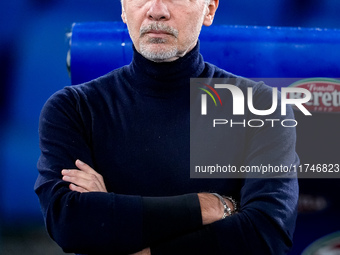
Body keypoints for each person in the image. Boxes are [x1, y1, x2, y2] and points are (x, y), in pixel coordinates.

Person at [35, 0, 299, 254]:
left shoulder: (262, 106)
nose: (156, 11)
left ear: (209, 9)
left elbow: (265, 235)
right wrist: (212, 207)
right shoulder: (73, 109)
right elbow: (70, 222)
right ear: (123, 8)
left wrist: (114, 216)